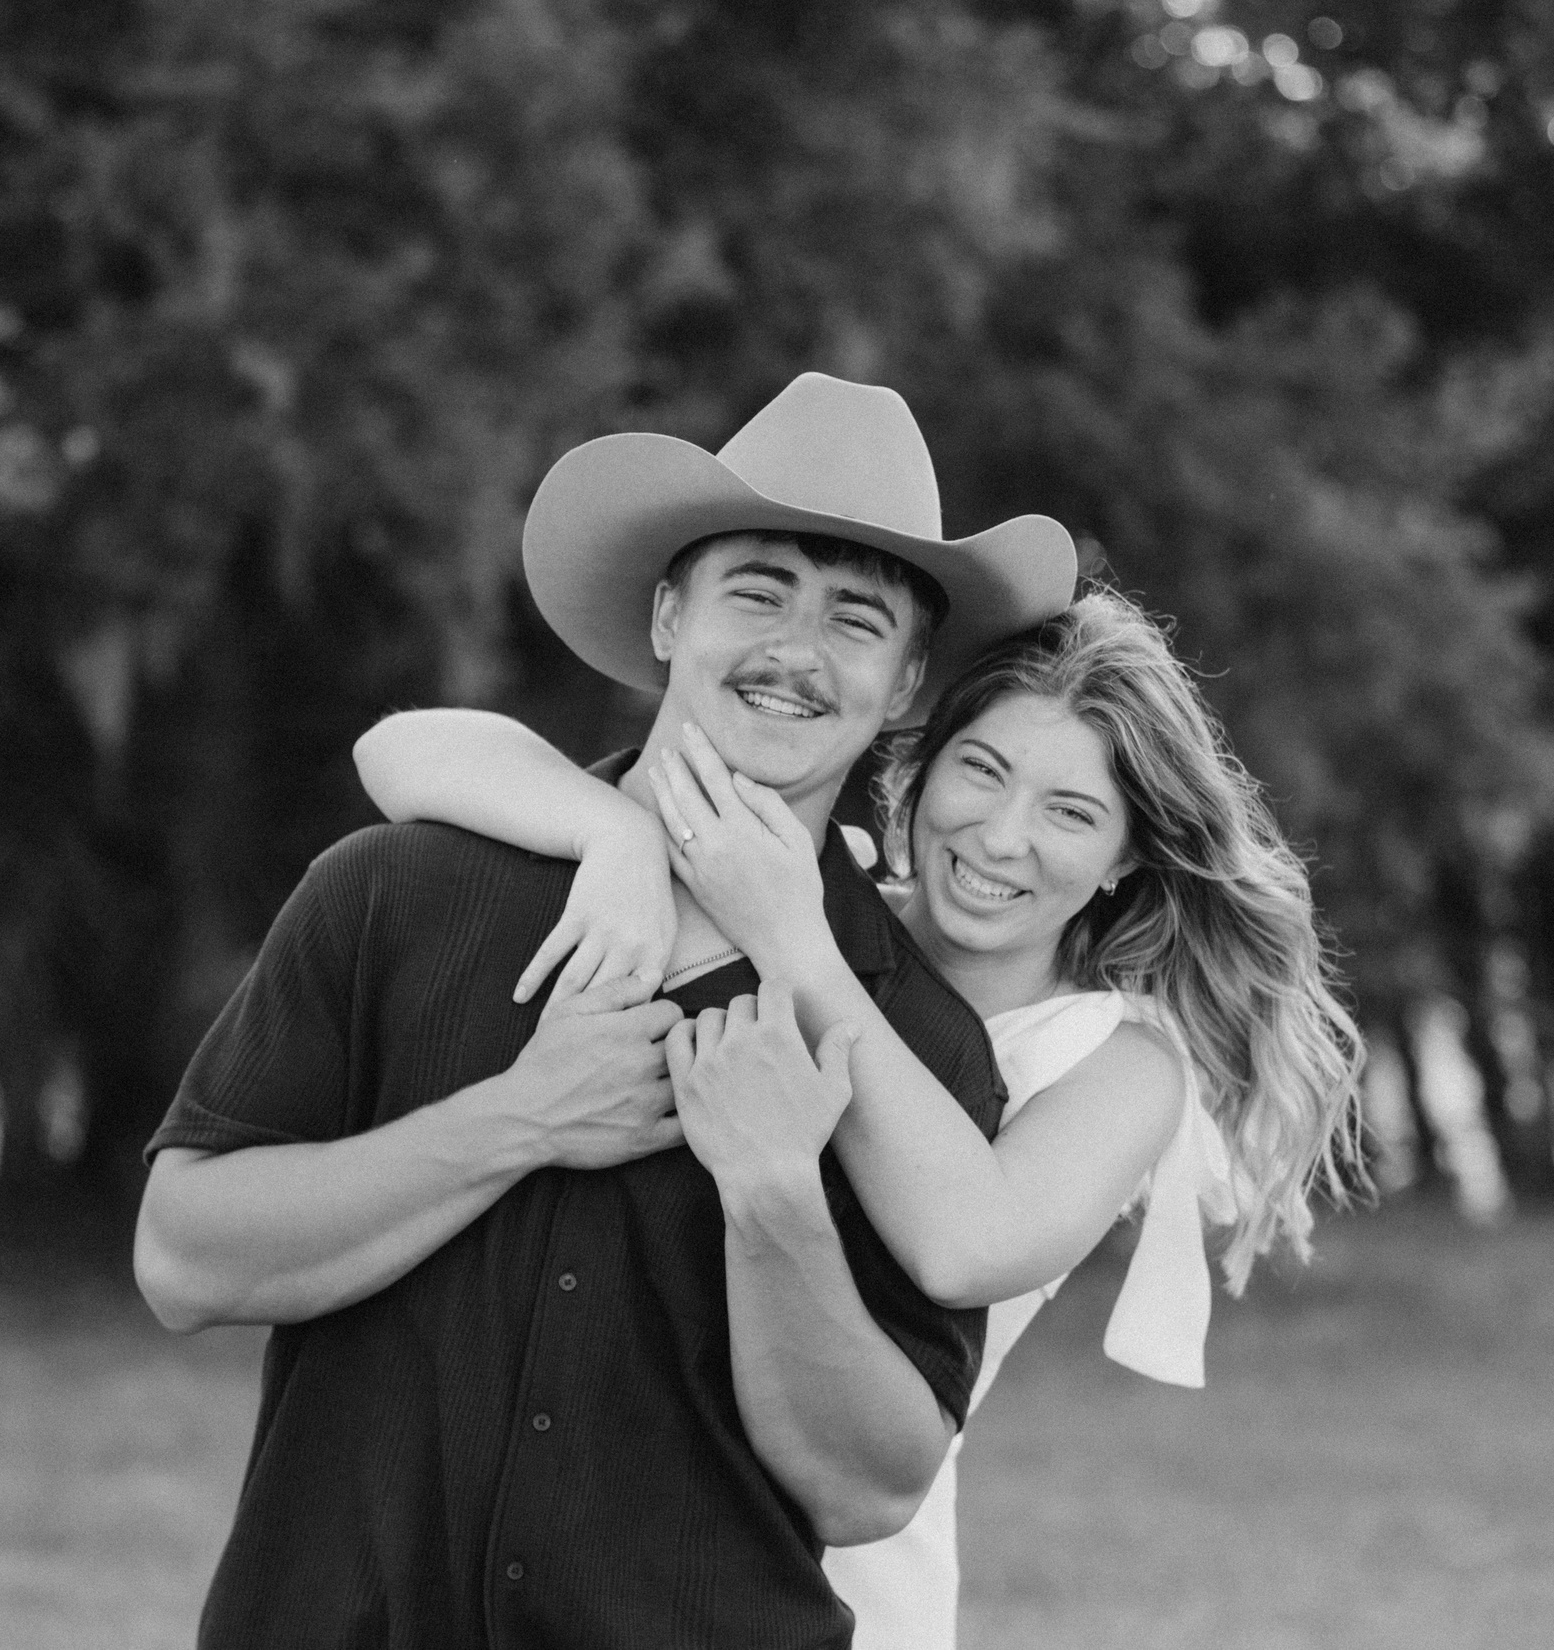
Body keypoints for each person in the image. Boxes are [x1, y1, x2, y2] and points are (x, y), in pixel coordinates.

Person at [133, 371, 1081, 1648]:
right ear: (665, 615)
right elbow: (183, 1259)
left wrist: (775, 1201)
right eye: (758, 590)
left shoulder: (917, 1046)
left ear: (906, 685)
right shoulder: (396, 892)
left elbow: (870, 1487)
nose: (797, 650)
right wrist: (518, 1121)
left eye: (856, 618)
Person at [355, 584, 1365, 1650]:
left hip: (844, 1565)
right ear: (916, 772)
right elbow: (402, 752)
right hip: (619, 1534)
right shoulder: (802, 897)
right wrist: (612, 833)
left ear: (1122, 856)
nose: (1001, 836)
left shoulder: (1113, 1063)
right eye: (980, 771)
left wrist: (793, 941)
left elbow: (964, 1244)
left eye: (1070, 812)